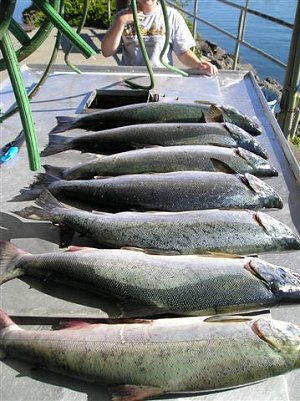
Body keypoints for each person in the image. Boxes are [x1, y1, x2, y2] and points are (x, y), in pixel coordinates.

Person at [101, 0, 218, 75]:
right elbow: (106, 52)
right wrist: (122, 22)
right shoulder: (122, 16)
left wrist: (199, 64)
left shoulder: (171, 16)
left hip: (161, 75)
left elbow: (182, 52)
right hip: (129, 77)